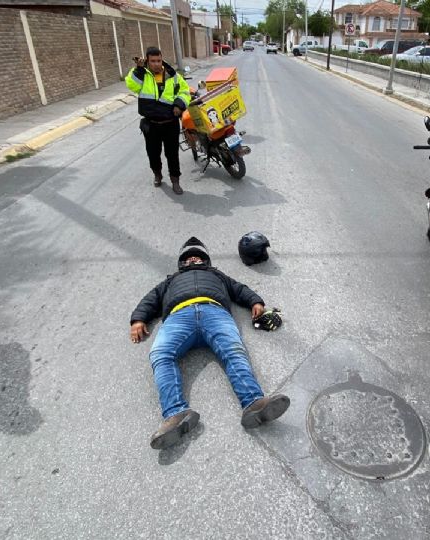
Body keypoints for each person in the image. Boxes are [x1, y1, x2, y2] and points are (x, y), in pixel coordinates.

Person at [130, 237, 289, 450]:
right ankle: (175, 414)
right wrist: (138, 319)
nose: (193, 258)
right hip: (179, 317)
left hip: (215, 312)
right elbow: (150, 299)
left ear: (205, 261)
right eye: (188, 257)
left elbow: (238, 288)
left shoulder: (217, 275)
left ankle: (254, 403)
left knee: (234, 351)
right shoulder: (169, 281)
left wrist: (255, 300)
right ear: (182, 263)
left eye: (198, 256)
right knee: (160, 355)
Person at [126, 46, 192, 195]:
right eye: (153, 61)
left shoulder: (172, 74)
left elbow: (185, 91)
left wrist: (179, 104)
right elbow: (132, 85)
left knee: (172, 154)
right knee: (153, 153)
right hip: (151, 124)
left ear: (162, 59)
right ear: (147, 62)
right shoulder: (142, 74)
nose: (156, 64)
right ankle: (157, 174)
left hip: (170, 123)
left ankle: (175, 180)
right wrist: (139, 69)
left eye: (159, 60)